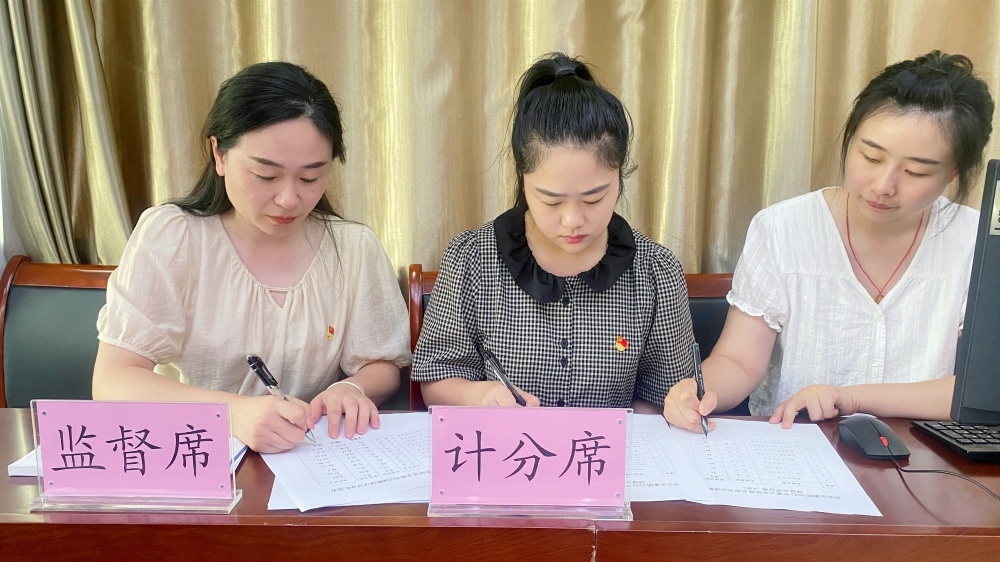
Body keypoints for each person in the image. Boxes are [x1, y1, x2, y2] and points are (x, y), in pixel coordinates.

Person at [663, 51, 995, 432]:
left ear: (953, 173)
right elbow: (738, 361)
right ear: (850, 140)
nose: (883, 186)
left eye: (916, 171)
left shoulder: (977, 243)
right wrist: (696, 392)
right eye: (871, 157)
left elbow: (979, 391)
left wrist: (850, 397)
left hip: (927, 459)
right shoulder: (782, 229)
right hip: (796, 446)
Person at [92, 62, 411, 452]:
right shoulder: (173, 236)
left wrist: (352, 388)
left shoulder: (353, 248)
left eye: (310, 178)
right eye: (266, 176)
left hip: (310, 456)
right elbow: (113, 380)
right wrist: (232, 413)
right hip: (197, 453)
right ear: (219, 155)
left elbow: (381, 365)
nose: (289, 199)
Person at [412, 53, 695, 411]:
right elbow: (437, 378)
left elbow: (665, 398)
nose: (572, 220)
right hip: (506, 447)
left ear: (620, 176)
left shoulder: (656, 272)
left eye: (594, 199)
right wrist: (479, 397)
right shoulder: (472, 260)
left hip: (606, 449)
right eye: (551, 201)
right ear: (523, 179)